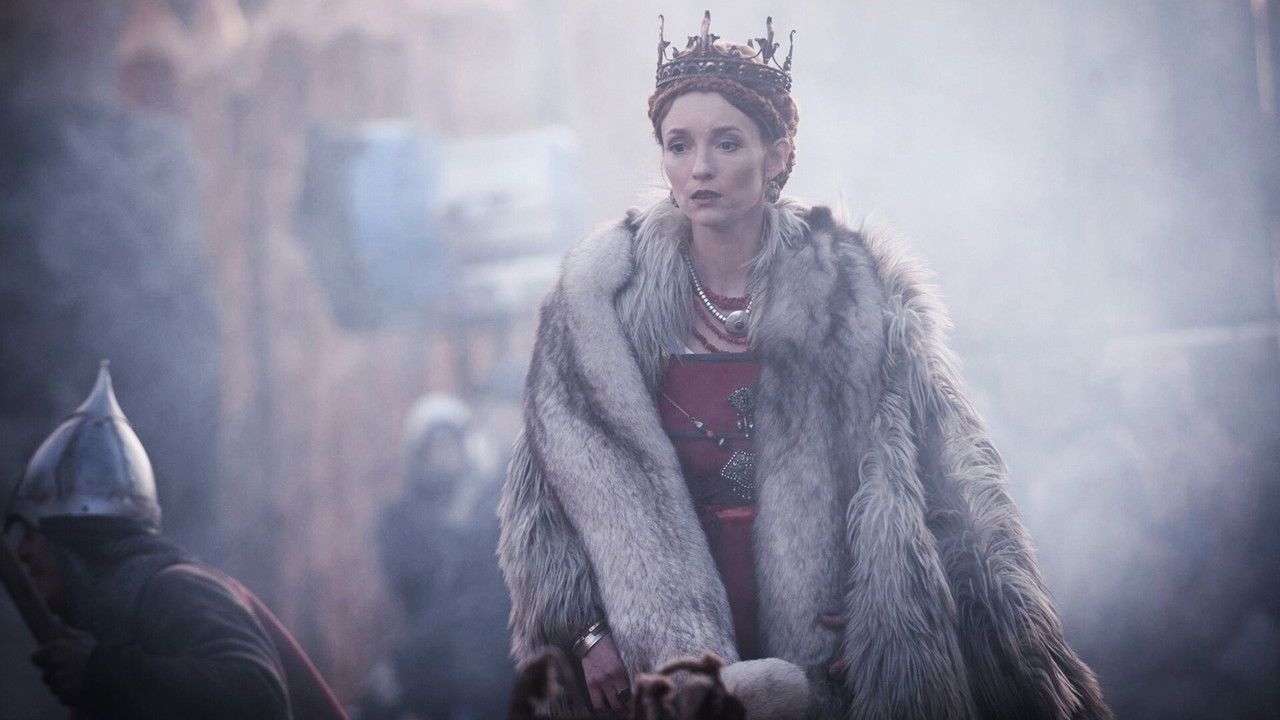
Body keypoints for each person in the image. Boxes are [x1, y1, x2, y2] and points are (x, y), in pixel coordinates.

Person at [497, 11, 1112, 719]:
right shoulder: (602, 306)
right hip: (657, 650)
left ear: (777, 155)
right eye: (679, 145)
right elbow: (541, 500)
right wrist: (587, 632)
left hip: (824, 648)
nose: (700, 168)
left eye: (727, 143)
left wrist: (883, 611)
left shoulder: (856, 294)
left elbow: (944, 485)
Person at [6, 363, 347, 720]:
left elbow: (259, 697)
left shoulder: (177, 589)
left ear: (77, 537)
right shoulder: (114, 622)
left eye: (31, 533)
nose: (22, 552)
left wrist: (104, 673)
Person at [357, 394, 513, 720]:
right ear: (420, 454)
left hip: (490, 661)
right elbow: (411, 584)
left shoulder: (489, 504)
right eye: (435, 447)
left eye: (450, 445)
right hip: (431, 659)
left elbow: (497, 582)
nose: (444, 455)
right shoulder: (402, 517)